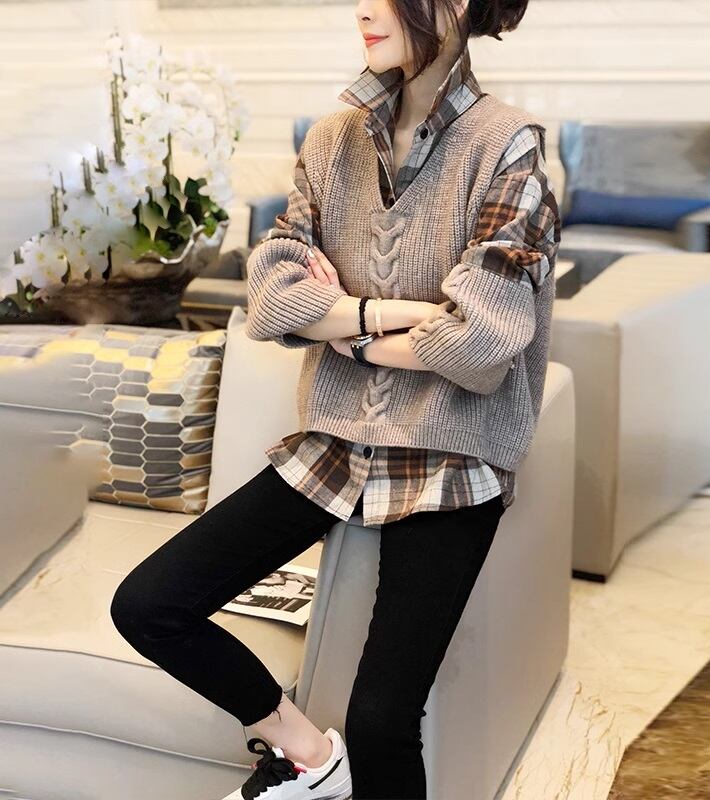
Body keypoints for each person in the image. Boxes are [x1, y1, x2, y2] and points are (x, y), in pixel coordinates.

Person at [109, 0, 560, 797]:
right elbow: (272, 301)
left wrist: (339, 325)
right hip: (333, 445)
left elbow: (480, 342)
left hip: (452, 457)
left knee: (383, 719)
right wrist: (390, 316)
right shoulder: (330, 141)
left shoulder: (509, 146)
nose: (363, 7)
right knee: (148, 604)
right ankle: (309, 757)